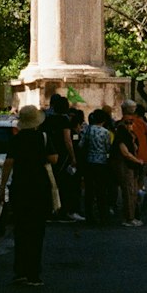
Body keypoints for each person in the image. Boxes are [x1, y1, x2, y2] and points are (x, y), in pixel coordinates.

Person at [0, 104, 54, 286]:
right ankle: (33, 273)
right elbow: (54, 158)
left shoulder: (17, 139)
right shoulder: (43, 138)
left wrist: (2, 187)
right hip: (39, 188)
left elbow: (8, 163)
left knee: (21, 230)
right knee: (37, 232)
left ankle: (20, 271)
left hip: (20, 187)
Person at [44, 93, 80, 222]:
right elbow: (67, 140)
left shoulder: (47, 119)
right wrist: (73, 157)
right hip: (62, 154)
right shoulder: (64, 120)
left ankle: (50, 211)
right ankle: (63, 211)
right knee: (64, 183)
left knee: (51, 183)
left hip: (49, 153)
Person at [112, 104, 144, 226]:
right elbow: (125, 152)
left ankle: (131, 216)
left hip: (131, 165)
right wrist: (137, 161)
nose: (131, 124)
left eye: (131, 122)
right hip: (125, 165)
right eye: (128, 122)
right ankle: (129, 218)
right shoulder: (121, 133)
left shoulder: (130, 134)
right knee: (128, 192)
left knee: (132, 191)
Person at [123, 100, 147, 218]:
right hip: (145, 157)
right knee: (140, 182)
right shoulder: (142, 123)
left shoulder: (125, 123)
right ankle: (140, 195)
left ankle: (136, 203)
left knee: (132, 185)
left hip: (133, 158)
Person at [81, 109, 112, 225]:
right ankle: (103, 215)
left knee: (89, 189)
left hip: (89, 162)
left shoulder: (88, 129)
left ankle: (89, 215)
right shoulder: (105, 132)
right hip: (102, 162)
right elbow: (108, 147)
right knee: (101, 190)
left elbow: (81, 144)